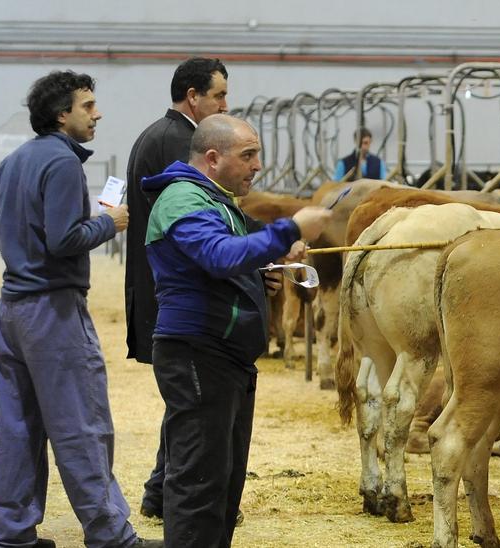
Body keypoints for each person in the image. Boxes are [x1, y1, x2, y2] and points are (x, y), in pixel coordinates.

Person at [0, 70, 162, 548]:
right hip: (54, 311)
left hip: (12, 310)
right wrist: (109, 223)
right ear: (61, 114)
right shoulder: (62, 163)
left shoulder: (13, 161)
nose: (97, 113)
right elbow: (65, 239)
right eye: (87, 105)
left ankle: (13, 534)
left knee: (16, 424)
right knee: (82, 423)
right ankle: (110, 536)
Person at [142, 114, 330, 547]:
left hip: (224, 355)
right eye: (248, 155)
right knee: (198, 481)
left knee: (222, 479)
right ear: (212, 157)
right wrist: (292, 228)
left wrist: (255, 275)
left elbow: (220, 265)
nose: (257, 165)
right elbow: (217, 255)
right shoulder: (182, 199)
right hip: (198, 351)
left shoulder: (215, 200)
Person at [124, 56, 229, 521]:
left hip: (159, 288)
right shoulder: (181, 144)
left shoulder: (156, 133)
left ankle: (159, 491)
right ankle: (173, 495)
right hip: (173, 296)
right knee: (190, 399)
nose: (226, 104)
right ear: (193, 97)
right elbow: (189, 230)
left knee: (184, 400)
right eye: (219, 95)